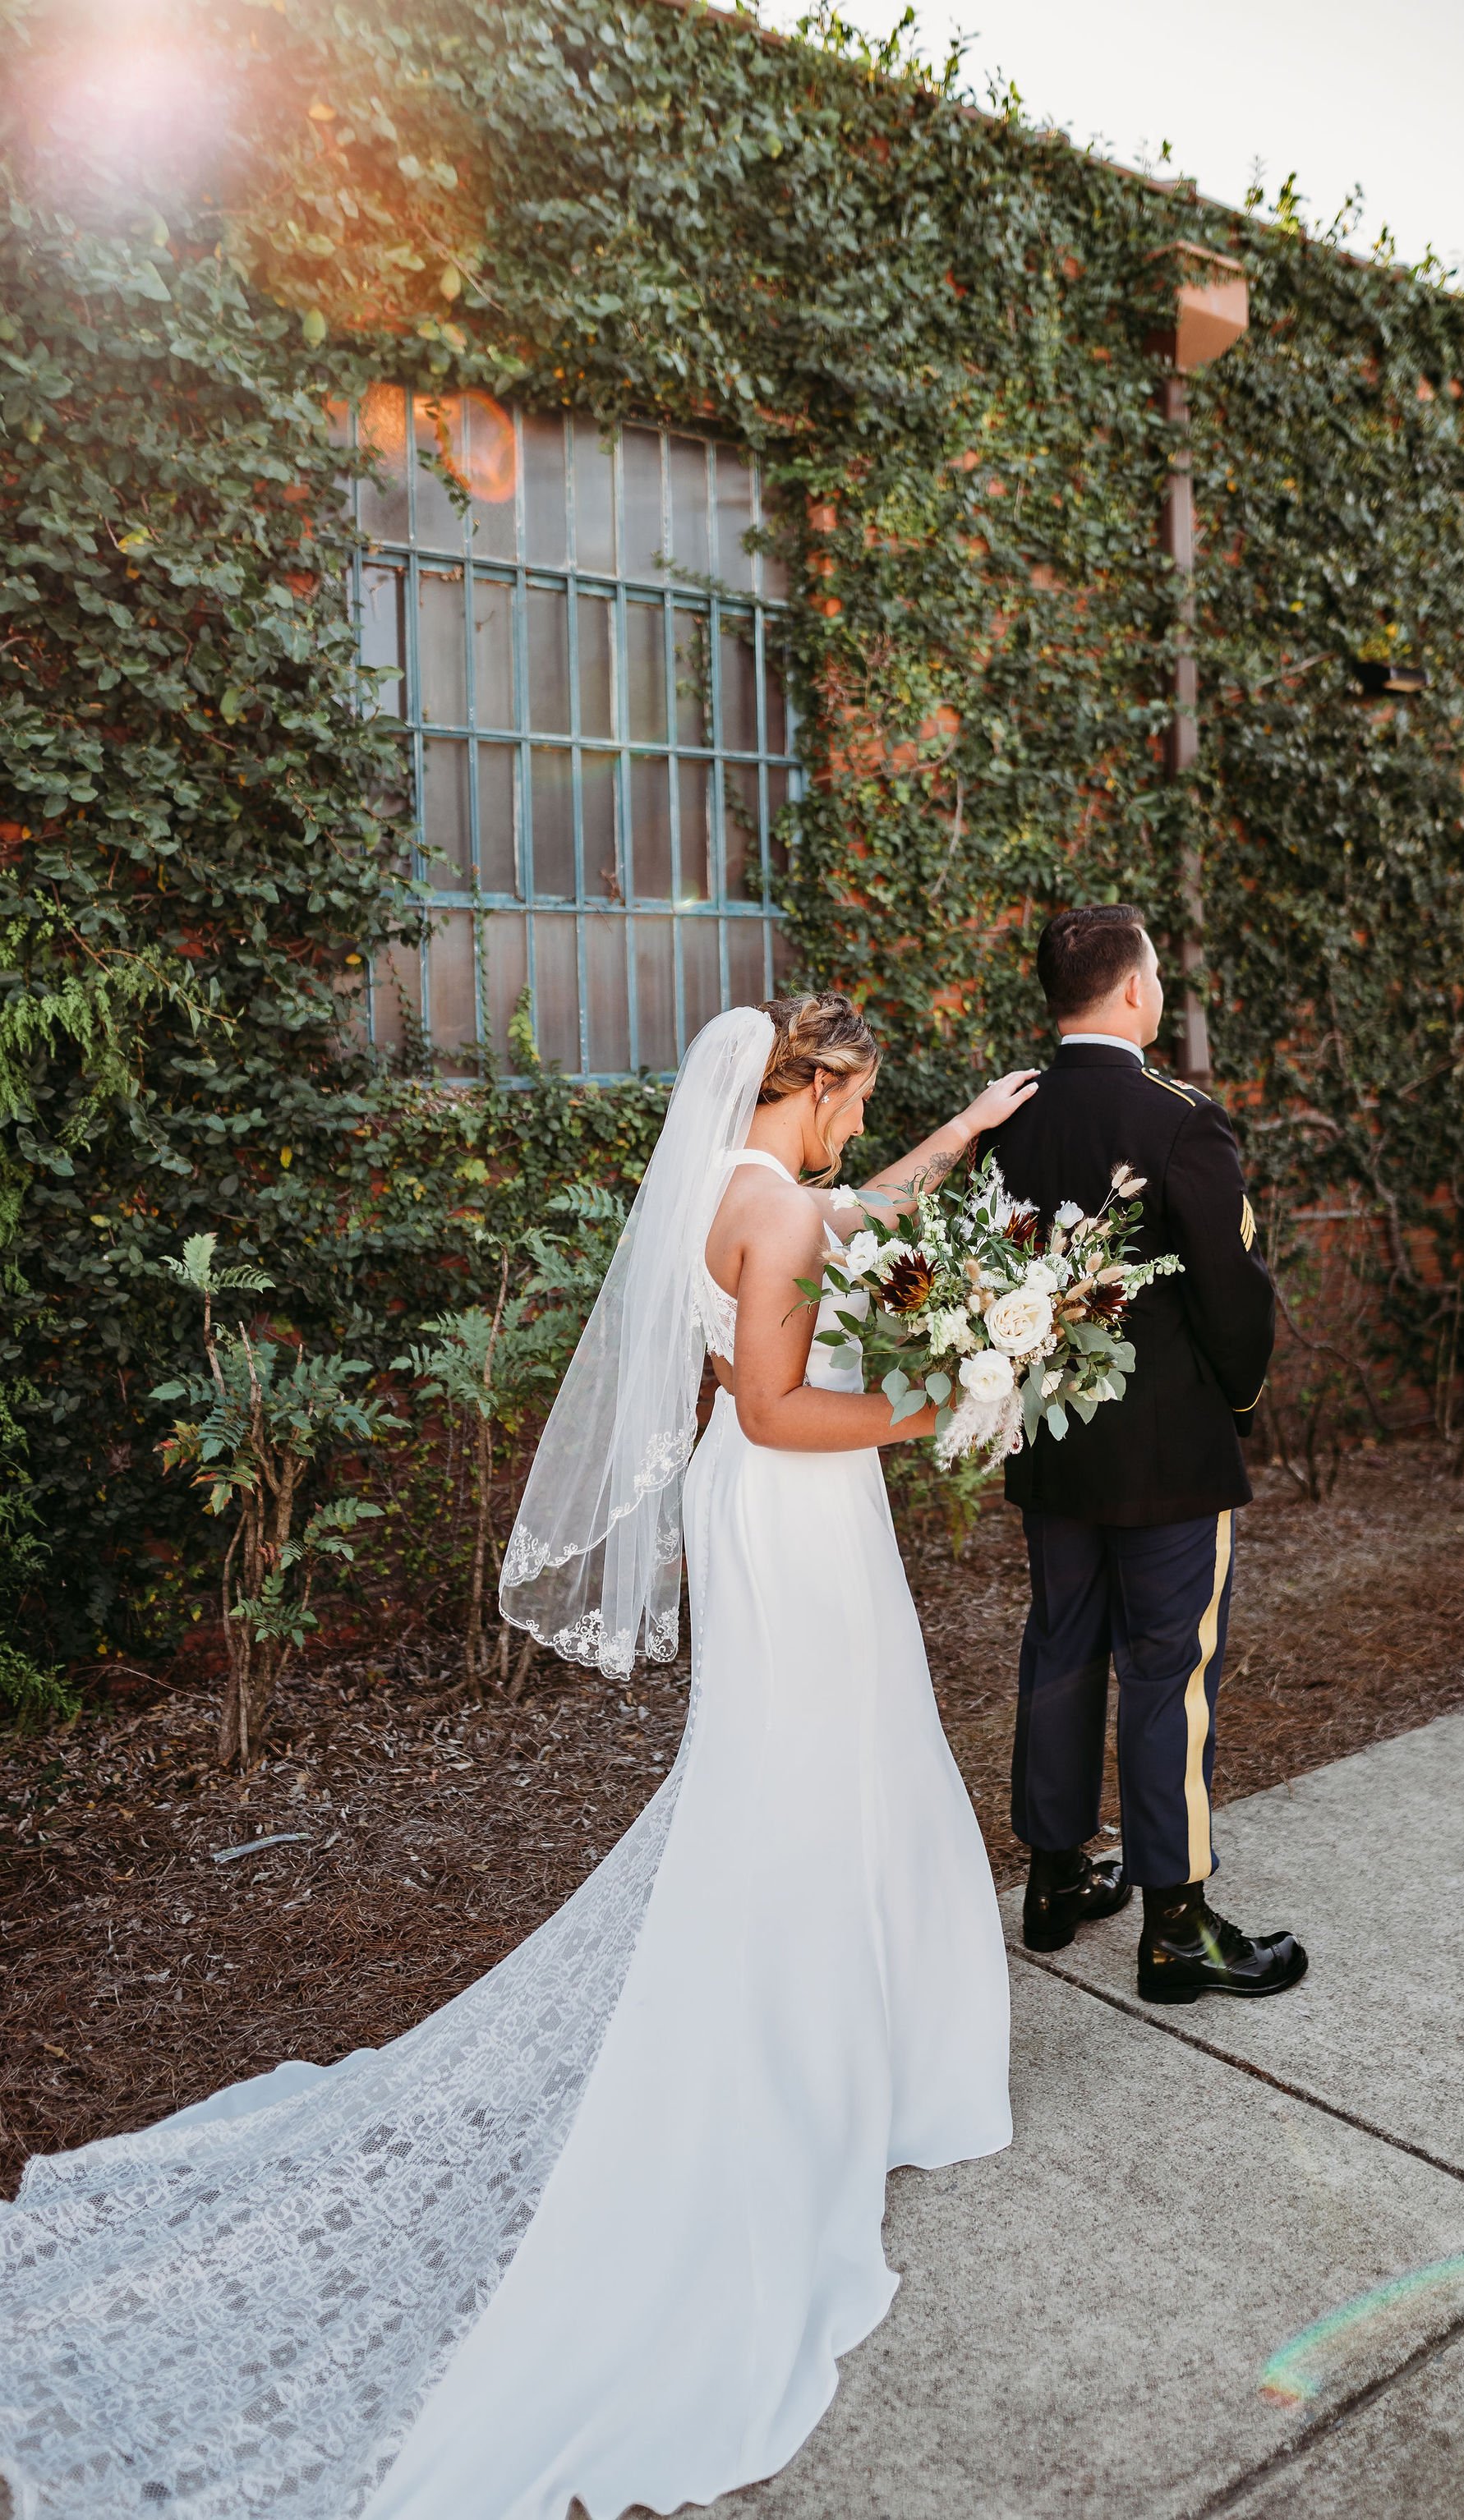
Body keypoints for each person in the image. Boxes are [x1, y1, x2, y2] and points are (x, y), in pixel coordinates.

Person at [0, 998, 1039, 2520]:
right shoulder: (784, 1217)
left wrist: (959, 1139)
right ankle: (828, 2064)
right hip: (795, 1505)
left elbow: (838, 1216)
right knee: (821, 1779)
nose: (864, 1132)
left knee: (828, 1764)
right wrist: (942, 1400)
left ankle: (871, 2048)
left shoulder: (733, 1193)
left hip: (756, 1512)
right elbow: (773, 1401)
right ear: (812, 1088)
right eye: (861, 1106)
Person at [977, 905, 1307, 2004]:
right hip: (1167, 1458)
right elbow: (1234, 1296)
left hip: (1053, 1450)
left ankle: (1057, 1882)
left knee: (1062, 1647)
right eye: (1157, 975)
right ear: (1133, 992)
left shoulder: (1006, 1115)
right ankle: (1176, 1927)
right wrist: (1242, 1397)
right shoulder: (1181, 1121)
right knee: (1170, 1672)